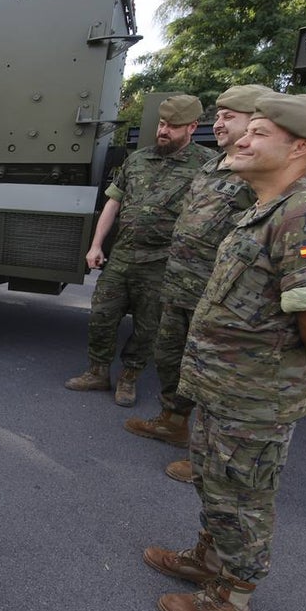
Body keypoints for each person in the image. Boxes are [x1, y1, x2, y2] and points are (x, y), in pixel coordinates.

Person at [146, 93, 306, 611]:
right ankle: (210, 561)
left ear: (303, 145)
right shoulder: (269, 207)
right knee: (217, 485)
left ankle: (232, 599)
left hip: (256, 396)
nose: (242, 138)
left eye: (259, 133)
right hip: (226, 387)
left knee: (243, 498)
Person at [123, 85, 271, 480]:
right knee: (174, 360)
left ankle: (210, 459)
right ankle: (173, 422)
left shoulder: (261, 172)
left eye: (229, 116)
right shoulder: (216, 164)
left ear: (257, 121)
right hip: (180, 286)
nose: (218, 123)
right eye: (218, 116)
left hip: (219, 295)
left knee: (214, 376)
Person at [65, 95, 215, 406]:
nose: (164, 131)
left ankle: (129, 376)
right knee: (102, 315)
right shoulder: (137, 160)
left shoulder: (205, 166)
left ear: (192, 127)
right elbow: (113, 203)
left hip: (163, 262)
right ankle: (97, 372)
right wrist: (96, 245)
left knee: (150, 326)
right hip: (123, 255)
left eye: (173, 126)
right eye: (162, 124)